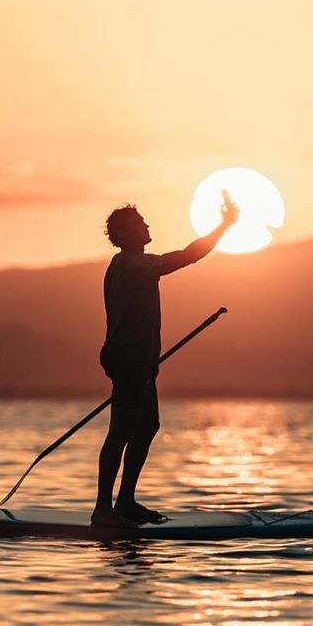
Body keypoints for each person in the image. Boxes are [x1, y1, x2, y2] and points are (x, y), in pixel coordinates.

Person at [92, 193, 239, 527]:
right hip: (129, 360)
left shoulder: (129, 265)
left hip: (140, 360)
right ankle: (103, 509)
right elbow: (189, 256)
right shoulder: (132, 265)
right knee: (121, 432)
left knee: (146, 426)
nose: (145, 225)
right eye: (138, 223)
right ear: (124, 235)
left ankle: (125, 501)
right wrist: (225, 225)